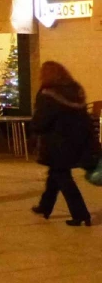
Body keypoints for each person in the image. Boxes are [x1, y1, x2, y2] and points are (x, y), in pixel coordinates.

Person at [32, 61, 96, 227]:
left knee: (62, 177)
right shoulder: (76, 91)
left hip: (56, 143)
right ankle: (45, 206)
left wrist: (34, 128)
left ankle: (81, 214)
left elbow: (42, 121)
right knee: (55, 174)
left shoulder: (47, 93)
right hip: (76, 142)